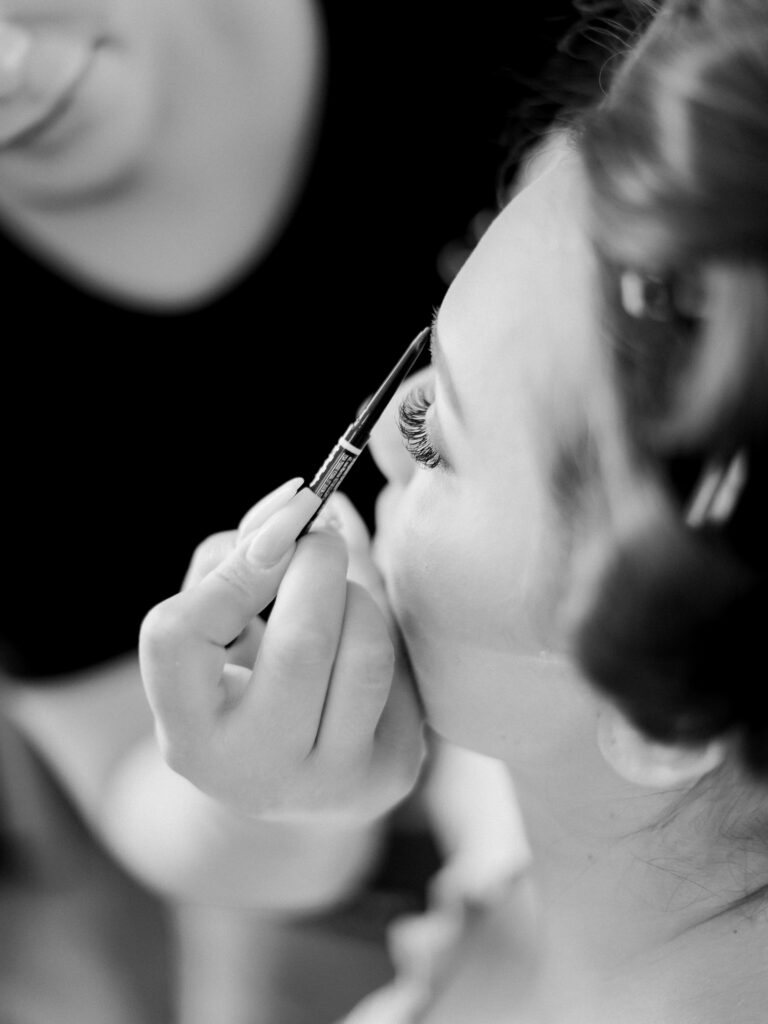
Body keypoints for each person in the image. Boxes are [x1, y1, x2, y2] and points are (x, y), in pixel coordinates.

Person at [139, 0, 768, 1020]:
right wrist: (277, 807)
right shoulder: (529, 801)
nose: (386, 437)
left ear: (670, 700)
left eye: (438, 438)